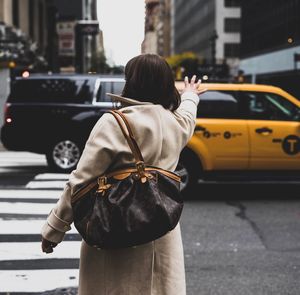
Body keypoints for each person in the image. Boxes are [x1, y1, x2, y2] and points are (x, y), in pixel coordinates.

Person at [41, 53, 205, 295]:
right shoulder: (175, 123)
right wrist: (190, 94)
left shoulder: (114, 123)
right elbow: (189, 114)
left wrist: (54, 229)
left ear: (131, 82)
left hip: (115, 231)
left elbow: (80, 181)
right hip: (160, 230)